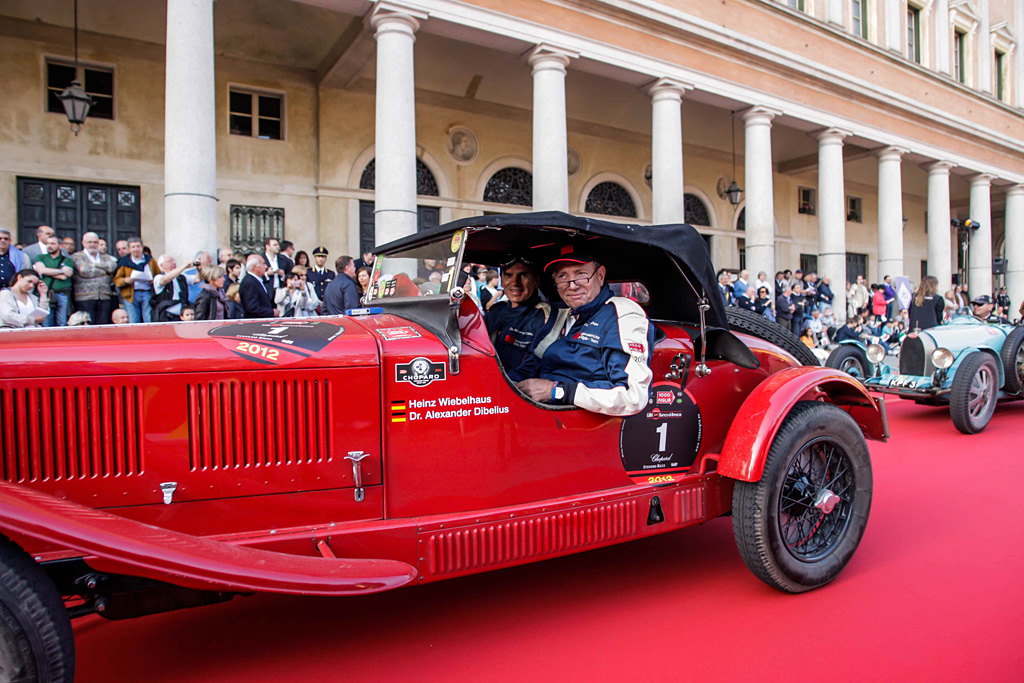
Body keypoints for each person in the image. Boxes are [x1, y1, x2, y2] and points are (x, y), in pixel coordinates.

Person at [507, 247, 654, 417]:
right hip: (542, 415)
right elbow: (532, 366)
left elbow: (633, 397)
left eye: (581, 274)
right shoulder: (560, 315)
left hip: (584, 425)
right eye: (563, 276)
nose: (572, 285)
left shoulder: (623, 314)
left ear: (600, 275)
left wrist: (556, 391)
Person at [484, 257, 551, 370]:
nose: (515, 282)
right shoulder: (496, 312)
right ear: (501, 280)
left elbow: (535, 367)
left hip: (517, 385)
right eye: (509, 275)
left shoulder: (545, 316)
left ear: (536, 281)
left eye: (523, 275)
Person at [72, 232, 118, 325]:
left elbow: (112, 267)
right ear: (83, 243)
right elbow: (84, 270)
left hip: (104, 296)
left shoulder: (105, 257)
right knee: (88, 325)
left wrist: (93, 266)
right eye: (89, 242)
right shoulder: (77, 256)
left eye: (95, 242)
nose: (92, 244)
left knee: (103, 325)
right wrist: (104, 272)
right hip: (85, 297)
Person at [113, 237, 161, 323]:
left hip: (147, 293)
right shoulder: (124, 262)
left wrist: (153, 280)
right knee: (133, 320)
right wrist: (125, 280)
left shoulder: (150, 260)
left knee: (148, 319)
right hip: (130, 295)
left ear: (142, 247)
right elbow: (117, 280)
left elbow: (158, 275)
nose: (136, 249)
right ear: (129, 249)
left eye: (138, 246)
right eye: (133, 247)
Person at [32, 235, 74, 327]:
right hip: (46, 294)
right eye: (47, 243)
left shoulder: (67, 260)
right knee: (46, 323)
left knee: (62, 322)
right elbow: (41, 270)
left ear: (60, 246)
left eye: (53, 243)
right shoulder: (40, 257)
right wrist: (60, 271)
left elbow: (67, 274)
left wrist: (48, 271)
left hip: (62, 293)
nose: (49, 246)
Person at [151, 254, 191, 322]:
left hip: (182, 317)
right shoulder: (158, 277)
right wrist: (184, 266)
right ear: (162, 265)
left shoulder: (181, 277)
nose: (173, 263)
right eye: (169, 261)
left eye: (174, 261)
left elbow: (197, 279)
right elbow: (166, 279)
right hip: (167, 317)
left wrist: (200, 268)